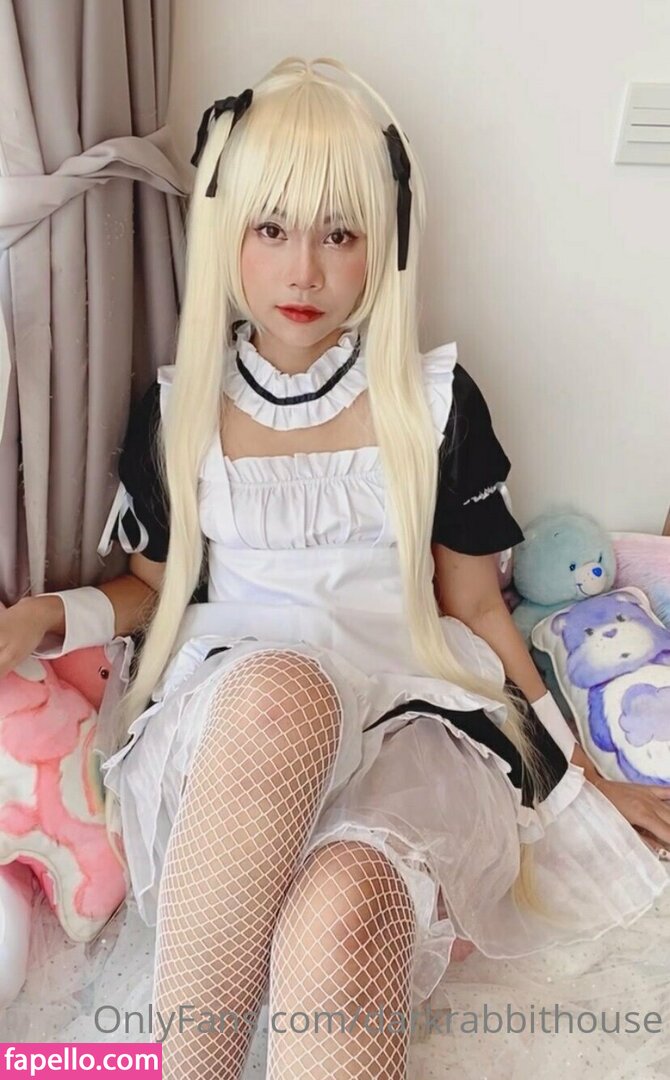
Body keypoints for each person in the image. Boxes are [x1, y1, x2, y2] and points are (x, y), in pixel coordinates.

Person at [1, 55, 669, 1080]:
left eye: (340, 234)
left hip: (400, 720)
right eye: (270, 229)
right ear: (225, 232)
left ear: (382, 244)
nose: (303, 272)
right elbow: (153, 589)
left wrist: (575, 775)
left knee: (347, 902)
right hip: (234, 730)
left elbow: (477, 608)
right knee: (283, 693)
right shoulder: (180, 411)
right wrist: (45, 618)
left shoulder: (433, 405)